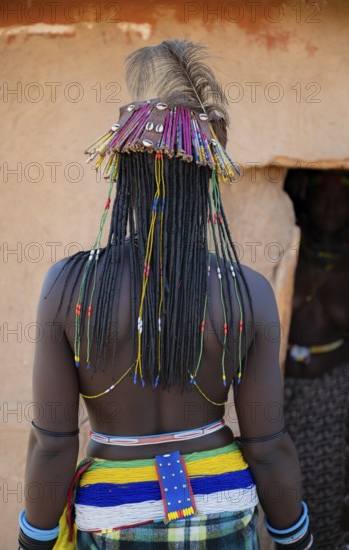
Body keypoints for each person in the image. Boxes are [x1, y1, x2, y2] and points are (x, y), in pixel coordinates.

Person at [18, 40, 314, 549]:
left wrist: (34, 539)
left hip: (111, 516)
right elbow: (267, 446)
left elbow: (52, 444)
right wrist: (295, 538)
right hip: (225, 506)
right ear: (206, 185)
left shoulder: (66, 288)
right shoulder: (248, 293)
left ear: (124, 179)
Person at [284, 169, 349, 548]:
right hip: (279, 394)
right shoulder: (288, 245)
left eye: (339, 199)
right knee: (275, 483)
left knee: (324, 488)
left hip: (331, 398)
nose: (330, 206)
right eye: (322, 197)